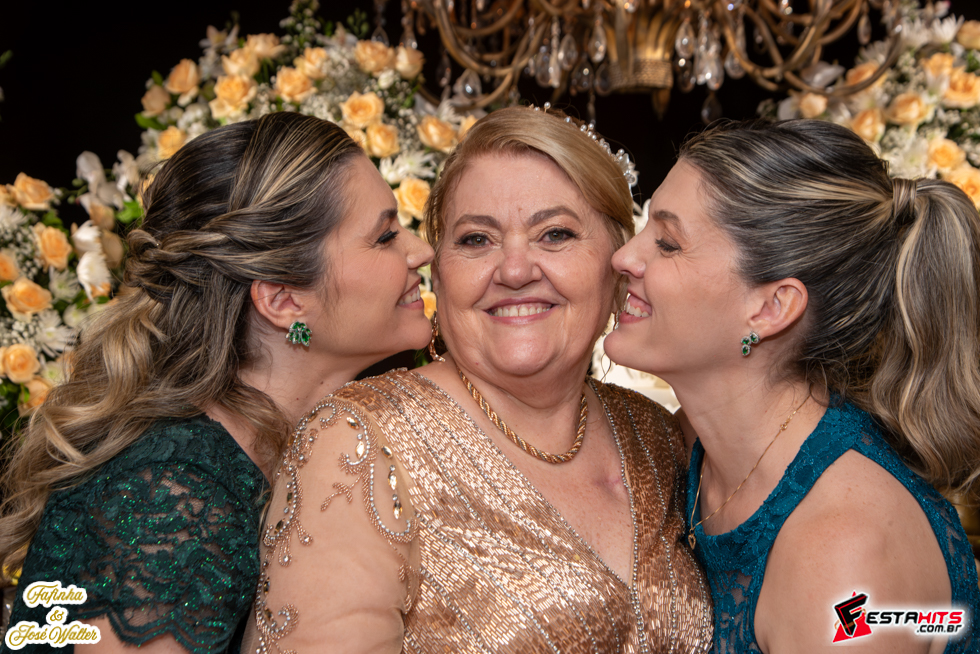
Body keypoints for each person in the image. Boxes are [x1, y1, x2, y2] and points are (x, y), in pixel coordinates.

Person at [241, 106, 714, 653]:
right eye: (475, 240)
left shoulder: (659, 437)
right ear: (438, 273)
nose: (514, 271)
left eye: (555, 234)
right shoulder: (358, 444)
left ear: (619, 261)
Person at [0, 112, 434, 653]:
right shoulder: (176, 493)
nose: (421, 250)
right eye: (385, 236)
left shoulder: (321, 435)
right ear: (284, 301)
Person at [604, 118, 980, 653]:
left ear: (770, 308)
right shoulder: (698, 442)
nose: (623, 258)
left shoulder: (841, 558)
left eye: (667, 243)